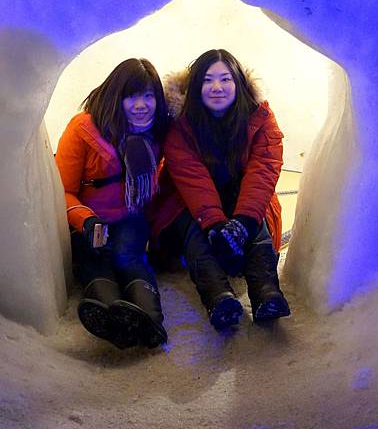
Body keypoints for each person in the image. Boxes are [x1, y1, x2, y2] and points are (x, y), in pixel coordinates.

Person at [150, 49, 290, 330]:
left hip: (240, 195)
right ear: (195, 87)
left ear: (238, 83)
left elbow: (263, 169)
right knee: (194, 230)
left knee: (257, 219)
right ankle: (218, 297)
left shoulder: (259, 116)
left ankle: (266, 293)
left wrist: (244, 221)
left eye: (225, 79)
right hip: (190, 202)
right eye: (208, 80)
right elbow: (191, 178)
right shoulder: (181, 123)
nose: (217, 88)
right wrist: (215, 224)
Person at [55, 58, 169, 349]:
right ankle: (111, 318)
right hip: (90, 219)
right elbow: (62, 191)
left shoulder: (156, 131)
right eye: (131, 96)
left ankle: (151, 321)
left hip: (130, 217)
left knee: (128, 257)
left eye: (148, 95)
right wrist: (85, 220)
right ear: (115, 95)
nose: (141, 105)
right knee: (97, 260)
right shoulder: (83, 128)